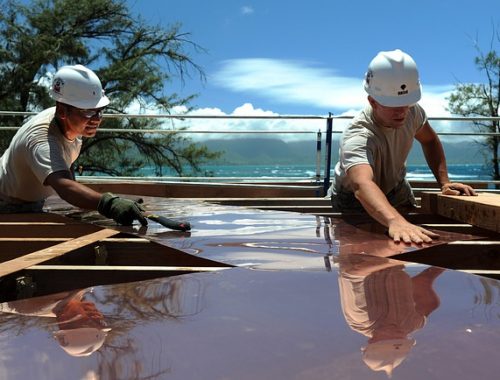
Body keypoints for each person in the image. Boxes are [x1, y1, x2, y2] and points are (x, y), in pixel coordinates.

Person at [329, 49, 476, 244]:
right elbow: (362, 185)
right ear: (373, 101)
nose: (402, 112)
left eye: (407, 103)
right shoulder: (359, 135)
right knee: (366, 256)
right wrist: (394, 221)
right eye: (393, 105)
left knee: (415, 243)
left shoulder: (412, 112)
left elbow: (430, 140)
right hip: (353, 201)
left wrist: (444, 182)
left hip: (396, 188)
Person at [0, 64, 147, 226]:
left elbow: (66, 161)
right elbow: (64, 185)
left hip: (30, 201)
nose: (97, 118)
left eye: (100, 110)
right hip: (6, 206)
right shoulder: (41, 139)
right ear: (62, 112)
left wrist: (88, 200)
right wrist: (110, 204)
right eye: (89, 111)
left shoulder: (71, 123)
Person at [337, 253, 444, 377]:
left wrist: (396, 260)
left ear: (372, 340)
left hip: (361, 253)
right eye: (402, 339)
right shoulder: (410, 326)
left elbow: (353, 272)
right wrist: (439, 267)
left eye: (392, 337)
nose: (400, 333)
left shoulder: (361, 317)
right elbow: (430, 303)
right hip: (395, 258)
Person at [0, 289, 111, 357]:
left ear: (74, 323)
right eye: (102, 322)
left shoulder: (39, 303)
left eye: (96, 321)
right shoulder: (71, 300)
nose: (98, 314)